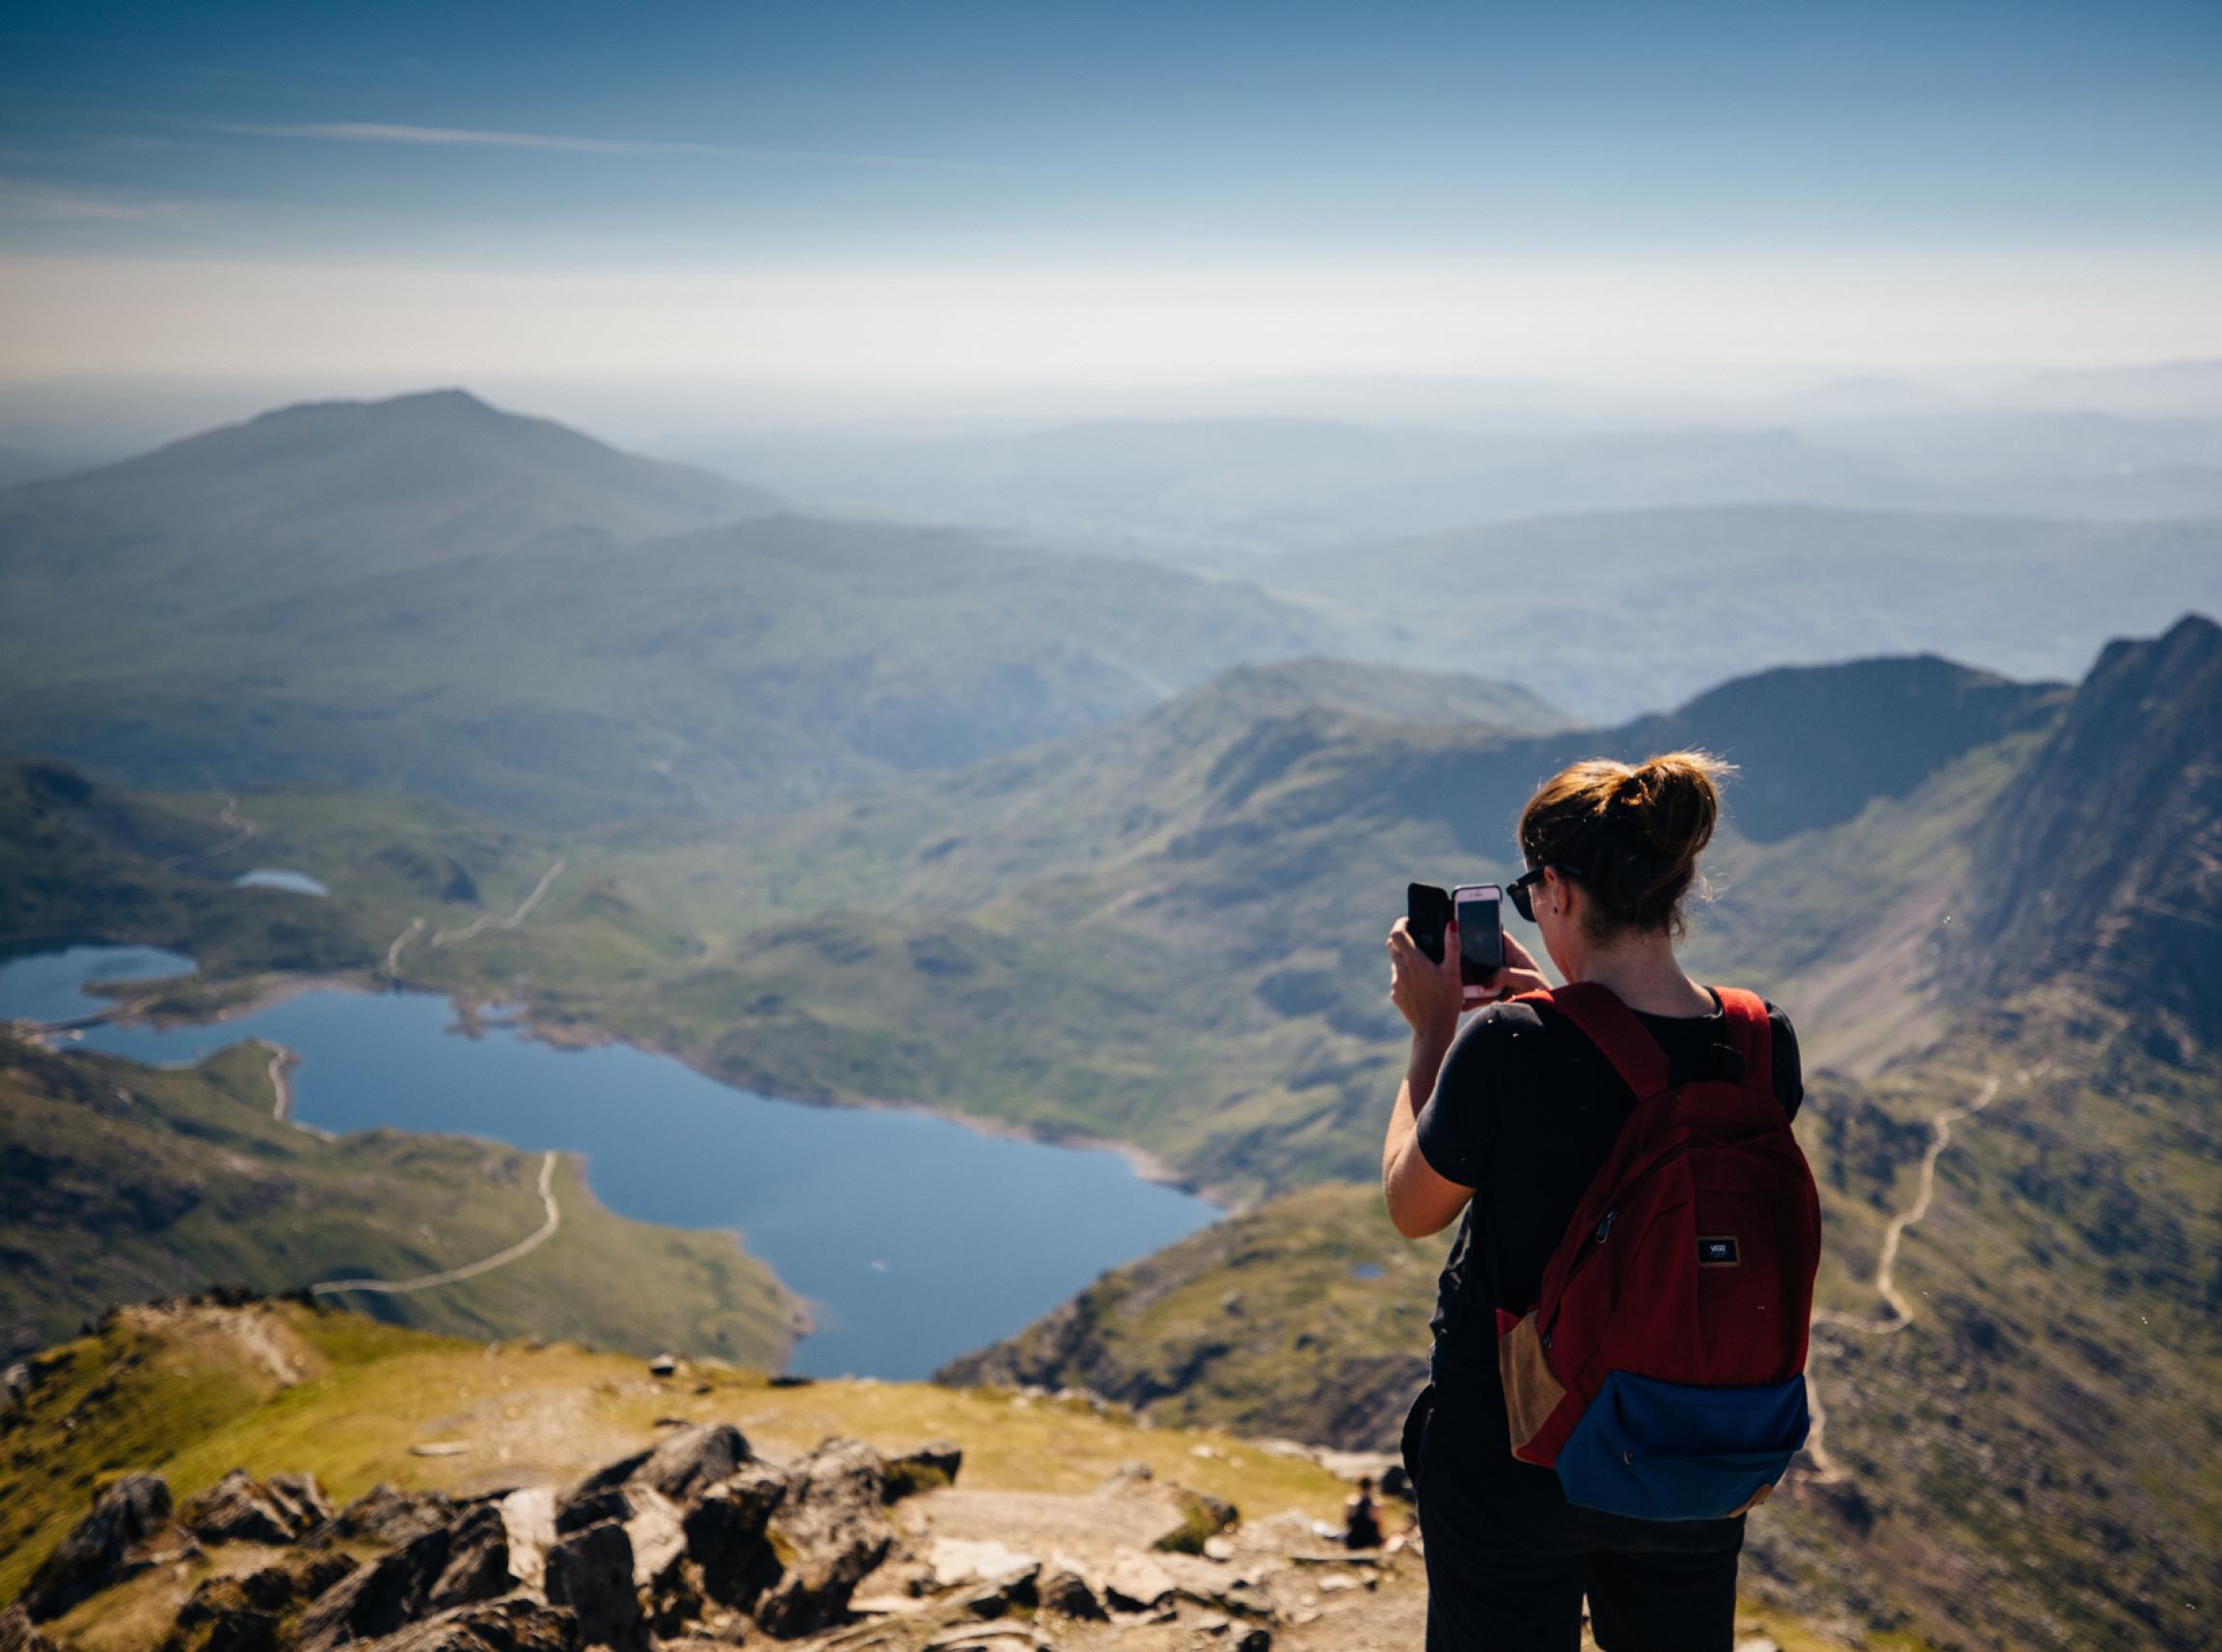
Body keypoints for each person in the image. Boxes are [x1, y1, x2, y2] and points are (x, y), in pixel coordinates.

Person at [1378, 752, 1803, 1652]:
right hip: (1690, 1451)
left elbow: (1412, 1205)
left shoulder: (1508, 1046)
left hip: (1516, 1455)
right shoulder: (1762, 1044)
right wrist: (1561, 1008)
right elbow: (1630, 1088)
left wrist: (1433, 1034)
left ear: (1559, 892)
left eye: (1531, 892)